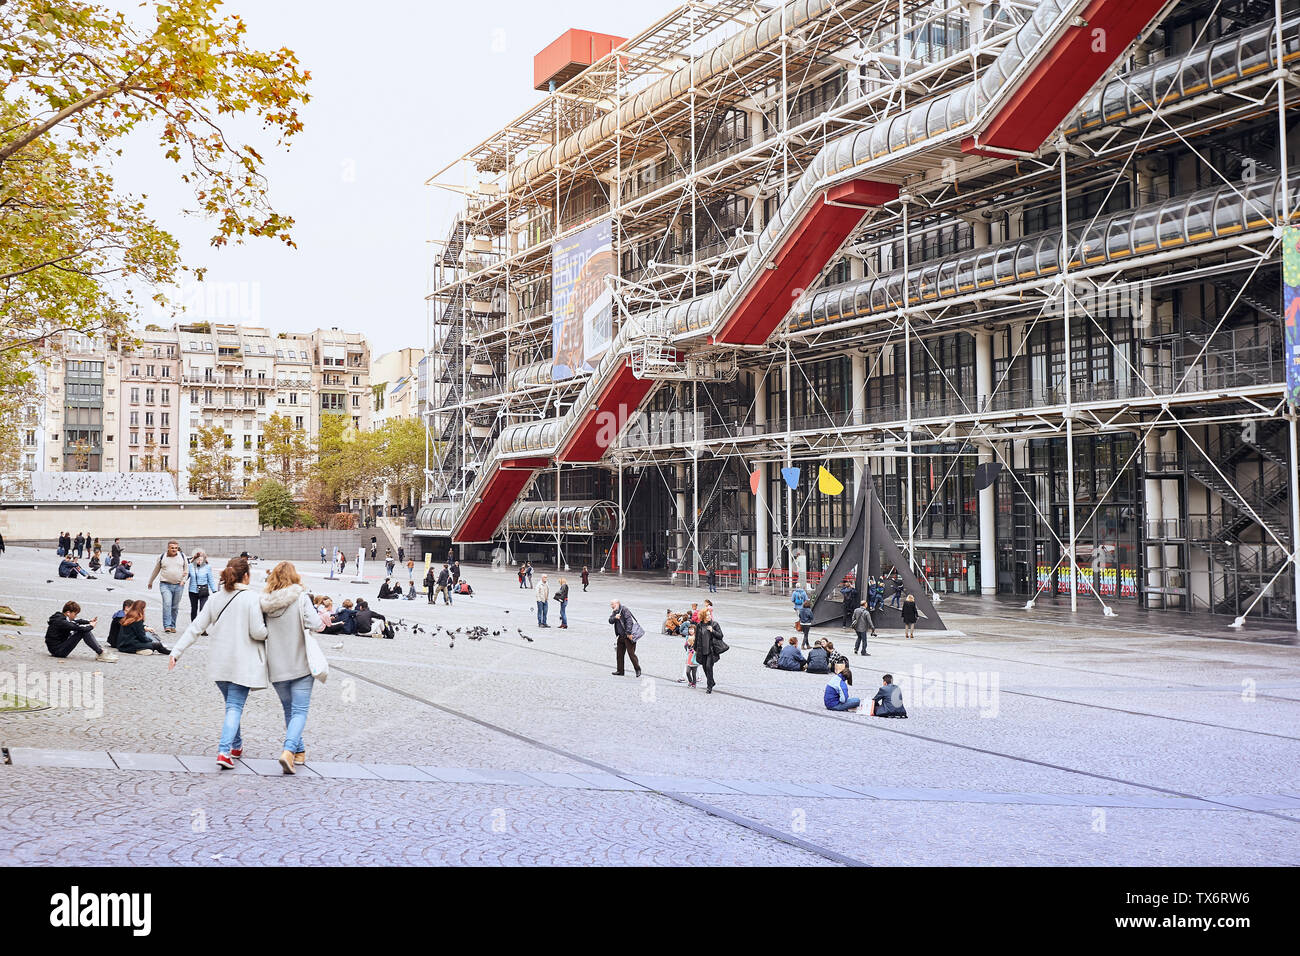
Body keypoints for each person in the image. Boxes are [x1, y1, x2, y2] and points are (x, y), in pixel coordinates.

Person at [170, 556, 270, 769]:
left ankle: (236, 745)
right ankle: (224, 751)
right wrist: (268, 631)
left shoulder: (215, 598)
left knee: (232, 705)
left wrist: (176, 651)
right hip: (242, 664)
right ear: (246, 575)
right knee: (234, 706)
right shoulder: (252, 598)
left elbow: (196, 627)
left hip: (219, 663)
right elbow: (257, 632)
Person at [261, 561, 324, 773]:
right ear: (294, 576)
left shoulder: (265, 602)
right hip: (301, 664)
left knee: (289, 710)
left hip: (277, 667)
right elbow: (316, 624)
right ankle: (288, 751)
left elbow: (259, 631)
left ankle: (299, 752)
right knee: (299, 711)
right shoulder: (301, 598)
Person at [46, 601, 116, 663]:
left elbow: (77, 621)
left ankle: (100, 651)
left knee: (83, 631)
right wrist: (91, 626)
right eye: (75, 614)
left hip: (57, 647)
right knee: (83, 631)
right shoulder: (62, 622)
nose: (75, 616)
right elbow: (78, 628)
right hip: (58, 651)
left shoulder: (61, 617)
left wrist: (89, 621)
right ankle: (100, 653)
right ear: (68, 613)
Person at [147, 539, 189, 634]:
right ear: (168, 548)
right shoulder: (162, 557)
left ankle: (173, 625)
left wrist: (184, 580)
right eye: (172, 548)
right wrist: (150, 581)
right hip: (165, 584)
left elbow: (186, 569)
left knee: (175, 607)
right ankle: (167, 626)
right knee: (167, 604)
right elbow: (156, 570)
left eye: (176, 548)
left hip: (179, 585)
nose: (174, 550)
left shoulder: (182, 556)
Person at [693, 606, 726, 693]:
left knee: (708, 667)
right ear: (703, 616)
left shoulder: (714, 624)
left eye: (709, 615)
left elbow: (721, 636)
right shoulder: (699, 625)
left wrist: (713, 631)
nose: (709, 616)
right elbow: (696, 638)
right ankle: (712, 681)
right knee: (704, 667)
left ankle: (709, 687)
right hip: (702, 650)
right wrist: (695, 649)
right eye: (707, 615)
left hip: (711, 650)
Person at [608, 599, 643, 678]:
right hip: (620, 636)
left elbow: (629, 621)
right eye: (611, 604)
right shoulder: (615, 612)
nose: (611, 606)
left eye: (612, 604)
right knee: (619, 654)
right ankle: (620, 671)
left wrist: (628, 633)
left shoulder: (624, 609)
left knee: (631, 654)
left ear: (617, 603)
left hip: (628, 636)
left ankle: (638, 669)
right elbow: (610, 621)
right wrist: (615, 617)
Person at [188, 550, 216, 622]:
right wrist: (181, 580)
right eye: (198, 560)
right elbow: (186, 576)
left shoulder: (207, 567)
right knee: (194, 609)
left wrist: (214, 590)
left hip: (203, 591)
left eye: (201, 560)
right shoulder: (190, 566)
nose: (199, 561)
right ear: (195, 559)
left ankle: (202, 628)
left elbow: (210, 579)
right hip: (192, 591)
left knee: (203, 609)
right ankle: (193, 626)